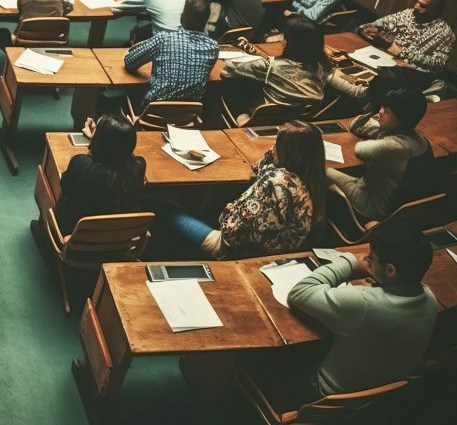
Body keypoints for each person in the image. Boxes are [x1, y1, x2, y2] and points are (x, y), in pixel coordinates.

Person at [287, 224, 437, 397]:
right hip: (379, 398)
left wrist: (350, 262)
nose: (366, 259)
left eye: (372, 258)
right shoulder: (430, 299)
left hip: (325, 394)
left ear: (390, 270)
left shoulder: (363, 303)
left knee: (286, 358)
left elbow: (299, 292)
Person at [157, 121, 327, 259]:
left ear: (287, 153)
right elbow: (259, 168)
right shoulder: (312, 177)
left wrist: (229, 210)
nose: (272, 149)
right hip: (278, 253)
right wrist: (275, 153)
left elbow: (230, 231)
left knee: (167, 209)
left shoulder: (274, 184)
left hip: (236, 251)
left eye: (277, 146)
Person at [326, 88, 433, 220]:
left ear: (401, 119)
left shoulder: (394, 146)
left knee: (318, 168)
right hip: (390, 202)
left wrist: (377, 126)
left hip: (370, 206)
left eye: (387, 111)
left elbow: (360, 149)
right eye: (382, 106)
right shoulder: (420, 140)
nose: (380, 112)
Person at [121, 0, 218, 111]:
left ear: (182, 18)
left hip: (153, 113)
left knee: (131, 93)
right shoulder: (213, 47)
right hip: (187, 117)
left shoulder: (163, 39)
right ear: (205, 21)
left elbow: (129, 62)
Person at [53, 114, 146, 234]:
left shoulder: (81, 163)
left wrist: (94, 141)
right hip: (118, 240)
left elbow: (65, 186)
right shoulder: (139, 166)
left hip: (78, 239)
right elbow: (122, 154)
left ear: (99, 140)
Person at [221, 16, 329, 116]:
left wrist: (262, 60)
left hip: (262, 119)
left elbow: (229, 70)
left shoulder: (271, 67)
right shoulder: (322, 67)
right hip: (300, 119)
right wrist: (261, 56)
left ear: (286, 42)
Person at [357, 0, 455, 85]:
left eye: (423, 6)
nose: (416, 7)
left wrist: (404, 52)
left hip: (411, 71)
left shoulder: (445, 33)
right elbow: (380, 23)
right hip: (389, 58)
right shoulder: (408, 14)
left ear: (435, 11)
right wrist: (367, 28)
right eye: (417, 2)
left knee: (381, 80)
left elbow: (438, 63)